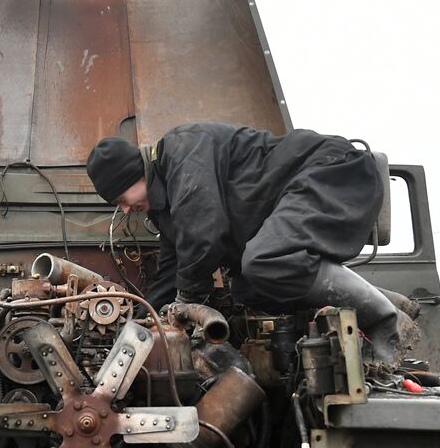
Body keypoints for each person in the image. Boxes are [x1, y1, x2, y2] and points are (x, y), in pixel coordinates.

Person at [85, 123, 418, 362]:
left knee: (264, 261)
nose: (125, 209)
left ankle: (386, 323)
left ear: (135, 175)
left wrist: (187, 301)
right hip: (300, 191)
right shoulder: (167, 207)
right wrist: (142, 323)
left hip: (327, 171)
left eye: (121, 198)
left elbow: (203, 231)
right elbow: (173, 267)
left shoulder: (182, 150)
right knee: (247, 289)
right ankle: (389, 302)